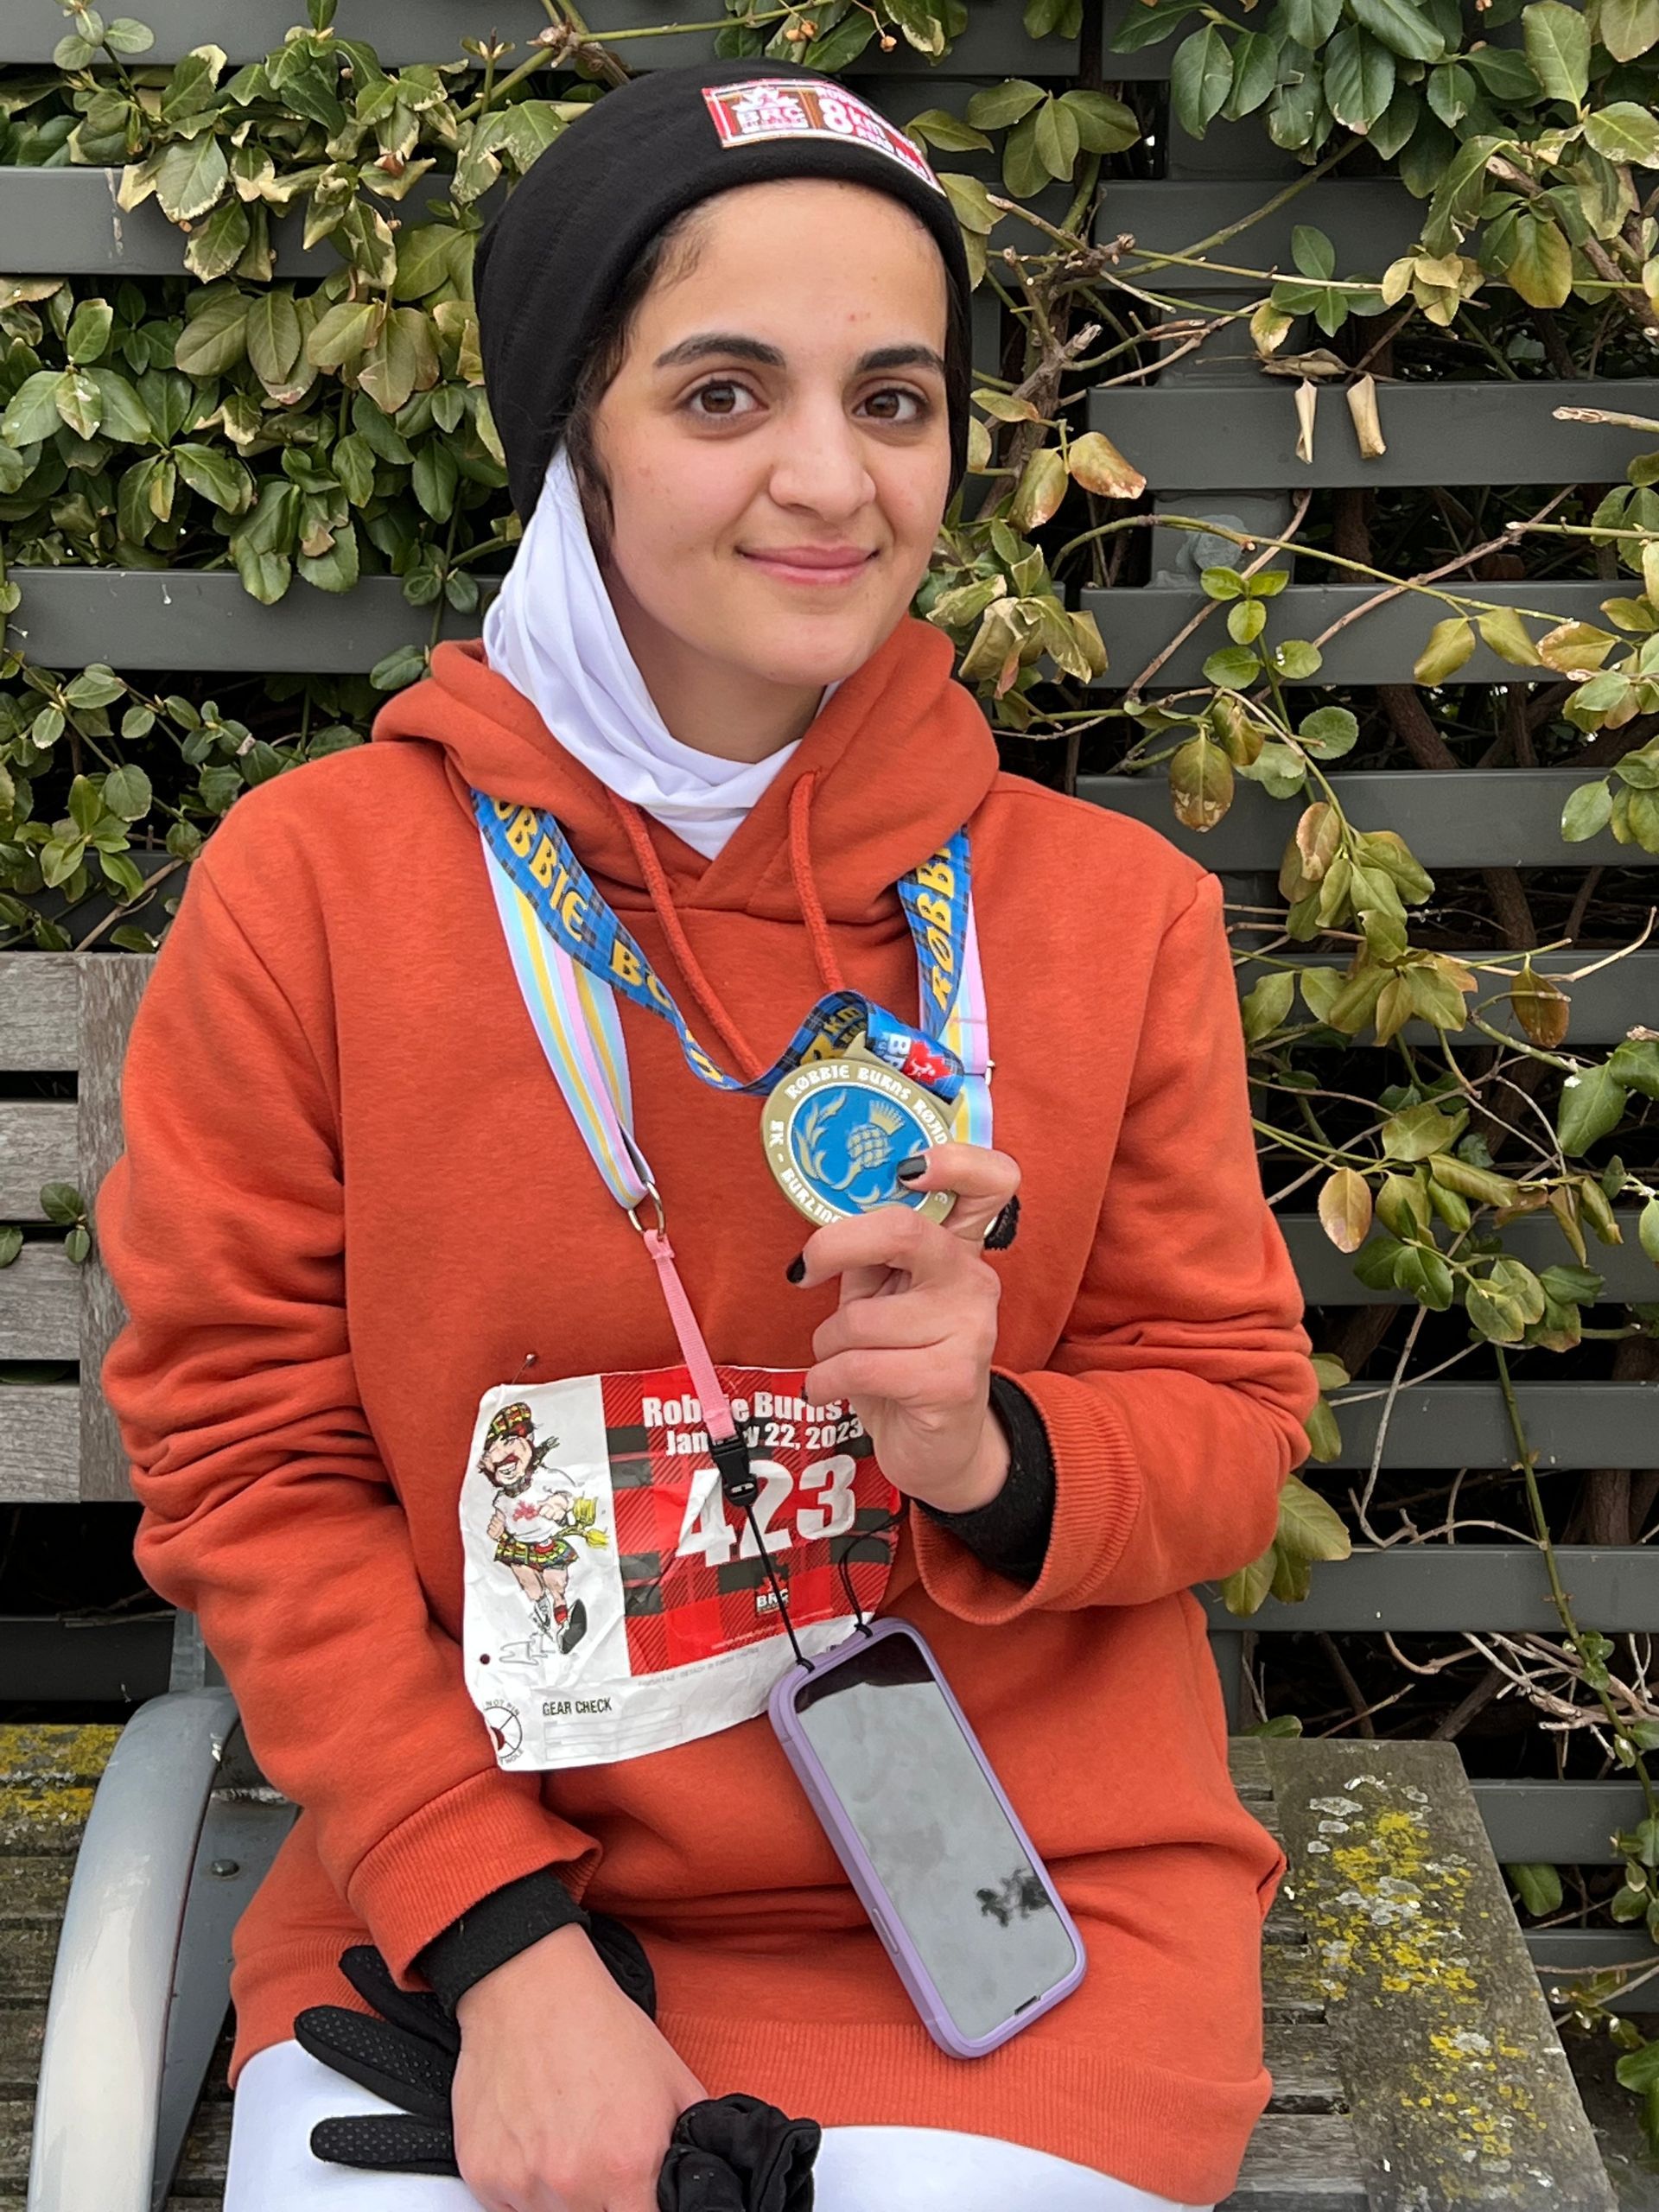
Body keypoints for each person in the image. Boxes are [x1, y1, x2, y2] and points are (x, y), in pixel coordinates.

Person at [94, 57, 1321, 2212]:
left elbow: (1224, 1420)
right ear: (572, 430)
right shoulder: (319, 886)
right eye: (725, 394)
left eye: (898, 397)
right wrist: (505, 1949)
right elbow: (249, 1465)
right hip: (495, 1897)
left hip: (1020, 1924)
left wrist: (995, 1448)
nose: (833, 482)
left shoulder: (1102, 910)